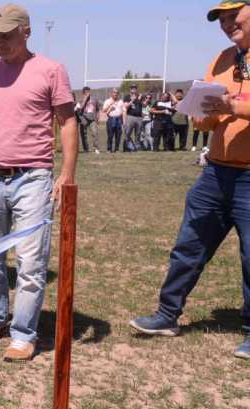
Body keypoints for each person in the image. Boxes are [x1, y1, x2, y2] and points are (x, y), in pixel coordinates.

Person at [0, 3, 78, 362]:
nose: (1, 43)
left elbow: (67, 123)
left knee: (31, 261)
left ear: (26, 32)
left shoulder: (51, 71)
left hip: (33, 178)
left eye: (8, 36)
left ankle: (23, 333)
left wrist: (67, 174)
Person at [130, 0, 250, 360]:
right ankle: (167, 315)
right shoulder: (222, 59)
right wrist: (203, 114)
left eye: (235, 16)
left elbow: (235, 107)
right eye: (222, 20)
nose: (228, 24)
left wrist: (235, 107)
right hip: (215, 172)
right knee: (189, 245)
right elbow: (207, 114)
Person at [76, 86, 101, 154]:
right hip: (83, 118)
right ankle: (86, 148)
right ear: (83, 93)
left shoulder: (94, 99)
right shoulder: (80, 99)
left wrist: (98, 117)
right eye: (86, 92)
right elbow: (80, 108)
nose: (88, 93)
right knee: (84, 134)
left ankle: (96, 148)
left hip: (92, 119)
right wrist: (85, 99)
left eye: (89, 91)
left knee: (95, 133)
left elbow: (98, 109)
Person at [102, 88, 125, 153]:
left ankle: (117, 149)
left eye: (117, 93)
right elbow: (103, 110)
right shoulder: (107, 101)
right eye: (114, 92)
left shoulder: (121, 101)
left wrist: (123, 122)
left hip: (119, 119)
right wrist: (110, 105)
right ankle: (109, 149)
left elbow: (123, 111)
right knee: (110, 135)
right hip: (111, 119)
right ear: (111, 93)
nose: (115, 94)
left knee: (118, 135)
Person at [123, 85, 144, 152]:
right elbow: (126, 106)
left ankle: (137, 146)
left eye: (135, 88)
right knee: (127, 133)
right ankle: (128, 146)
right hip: (130, 117)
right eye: (132, 88)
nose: (134, 90)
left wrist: (141, 99)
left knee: (138, 133)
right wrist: (132, 100)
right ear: (130, 89)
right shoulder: (127, 97)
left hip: (139, 117)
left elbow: (144, 105)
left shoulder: (140, 96)